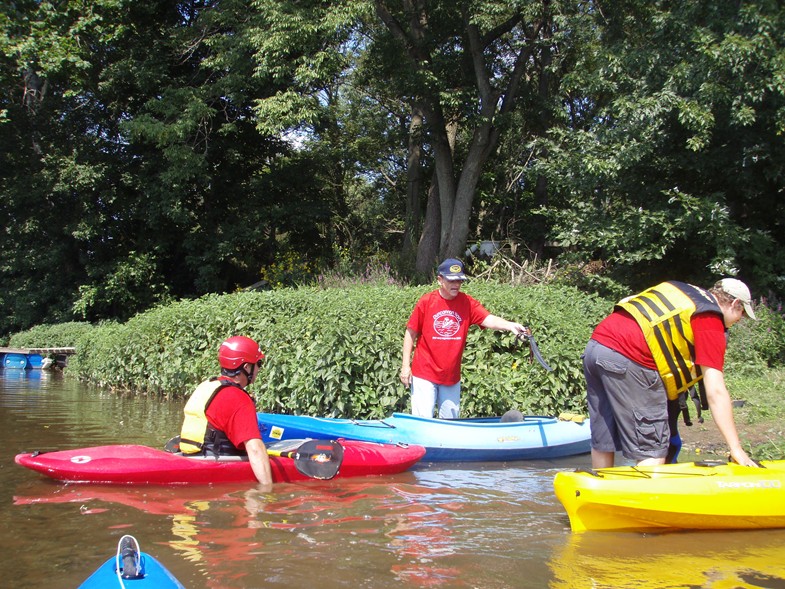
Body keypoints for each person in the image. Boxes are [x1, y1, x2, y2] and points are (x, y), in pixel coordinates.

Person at [583, 278, 759, 468]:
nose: (740, 320)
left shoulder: (685, 291)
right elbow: (715, 391)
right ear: (735, 303)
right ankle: (646, 495)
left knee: (604, 440)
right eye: (742, 313)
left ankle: (598, 488)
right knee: (653, 449)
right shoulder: (709, 318)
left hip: (596, 347)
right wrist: (736, 448)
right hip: (630, 358)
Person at [400, 258, 530, 419]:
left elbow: (489, 319)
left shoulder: (467, 303)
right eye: (452, 280)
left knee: (451, 424)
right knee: (422, 421)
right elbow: (410, 333)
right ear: (440, 280)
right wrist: (405, 367)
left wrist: (510, 325)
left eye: (460, 280)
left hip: (451, 376)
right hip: (424, 373)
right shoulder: (426, 302)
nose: (456, 284)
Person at [178, 335, 274, 489]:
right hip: (214, 463)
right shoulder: (239, 398)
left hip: (191, 456)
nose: (259, 369)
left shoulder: (209, 385)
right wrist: (268, 491)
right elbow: (255, 449)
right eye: (258, 363)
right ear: (246, 367)